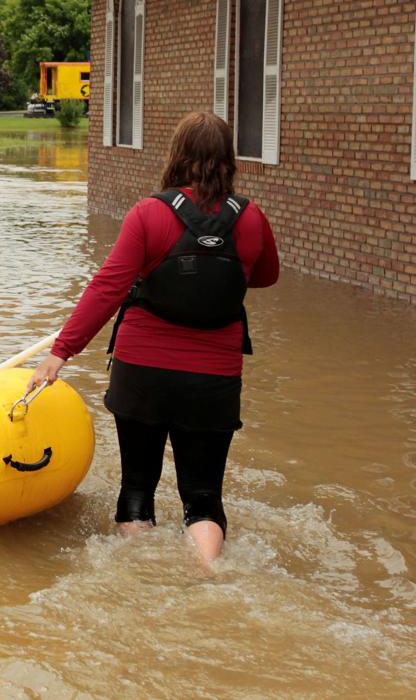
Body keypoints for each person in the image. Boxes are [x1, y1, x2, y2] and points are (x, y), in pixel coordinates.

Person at [28, 111, 279, 564]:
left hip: (142, 371)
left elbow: (108, 286)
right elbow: (266, 276)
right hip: (215, 376)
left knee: (137, 488)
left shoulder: (149, 213)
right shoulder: (251, 217)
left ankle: (137, 574)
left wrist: (60, 353)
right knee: (203, 496)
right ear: (228, 159)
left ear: (177, 155)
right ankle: (208, 572)